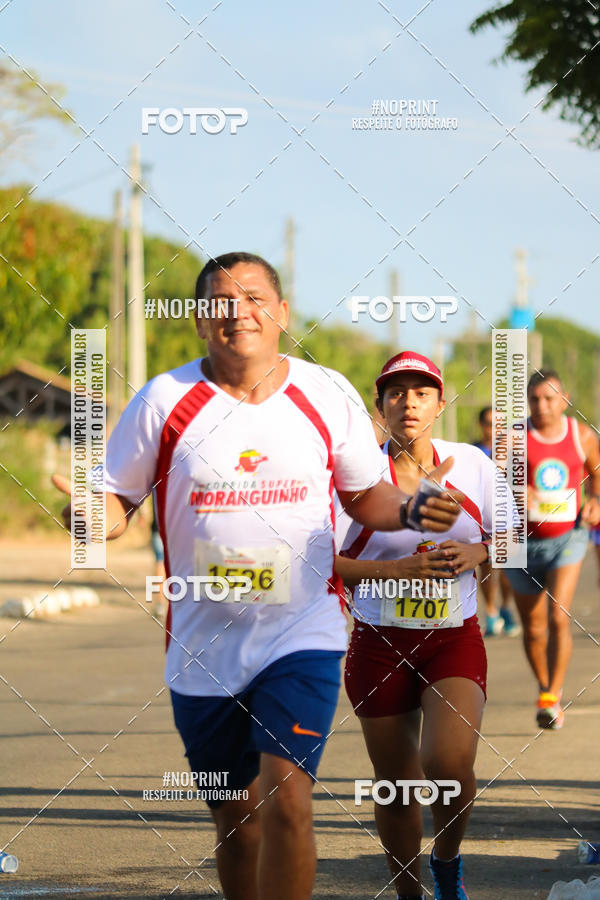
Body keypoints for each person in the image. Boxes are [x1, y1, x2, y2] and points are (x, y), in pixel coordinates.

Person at [52, 252, 463, 900]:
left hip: (302, 630)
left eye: (252, 298)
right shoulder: (164, 400)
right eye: (220, 301)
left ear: (281, 314)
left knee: (288, 798)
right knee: (237, 822)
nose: (237, 312)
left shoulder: (324, 393)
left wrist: (408, 506)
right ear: (199, 319)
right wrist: (87, 515)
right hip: (202, 645)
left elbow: (365, 497)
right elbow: (116, 501)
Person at [336, 352, 497, 900]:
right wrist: (394, 569)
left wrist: (480, 551)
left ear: (440, 404)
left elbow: (514, 538)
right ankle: (408, 893)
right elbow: (319, 559)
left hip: (451, 639)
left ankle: (447, 863)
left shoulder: (472, 464)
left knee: (448, 764)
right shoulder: (355, 480)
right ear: (379, 407)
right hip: (378, 644)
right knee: (397, 786)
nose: (409, 402)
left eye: (421, 392)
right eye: (397, 393)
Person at [505, 369, 600, 730]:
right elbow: (494, 485)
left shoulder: (582, 435)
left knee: (559, 616)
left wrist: (595, 500)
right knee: (533, 628)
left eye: (549, 398)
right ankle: (545, 688)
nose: (542, 406)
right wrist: (517, 493)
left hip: (568, 537)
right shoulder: (514, 438)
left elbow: (596, 472)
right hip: (518, 541)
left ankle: (551, 695)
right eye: (535, 399)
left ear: (565, 399)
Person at [473, 405, 520, 637]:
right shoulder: (473, 453)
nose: (494, 430)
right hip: (484, 518)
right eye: (489, 424)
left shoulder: (513, 452)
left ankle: (506, 608)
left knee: (511, 568)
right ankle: (491, 611)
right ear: (481, 425)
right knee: (489, 567)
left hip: (509, 518)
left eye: (499, 425)